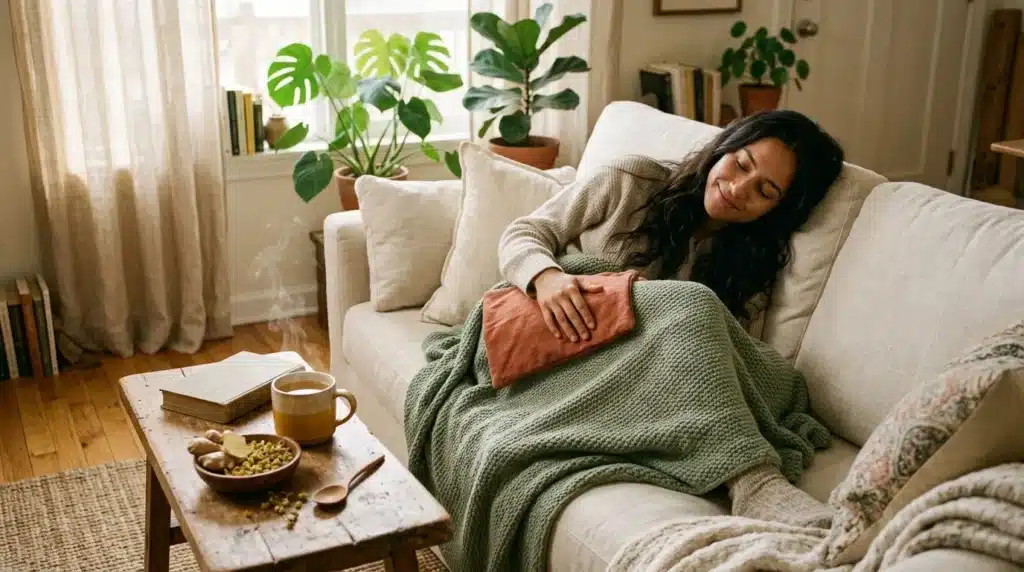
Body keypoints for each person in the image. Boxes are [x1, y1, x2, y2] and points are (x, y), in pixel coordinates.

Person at [497, 109, 845, 527]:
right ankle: (753, 481)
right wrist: (547, 277)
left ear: (778, 210)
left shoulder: (753, 261)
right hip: (562, 346)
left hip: (640, 380)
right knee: (692, 304)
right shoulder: (628, 180)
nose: (737, 188)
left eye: (764, 191)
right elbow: (525, 231)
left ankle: (736, 468)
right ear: (726, 145)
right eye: (741, 163)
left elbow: (727, 353)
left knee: (765, 370)